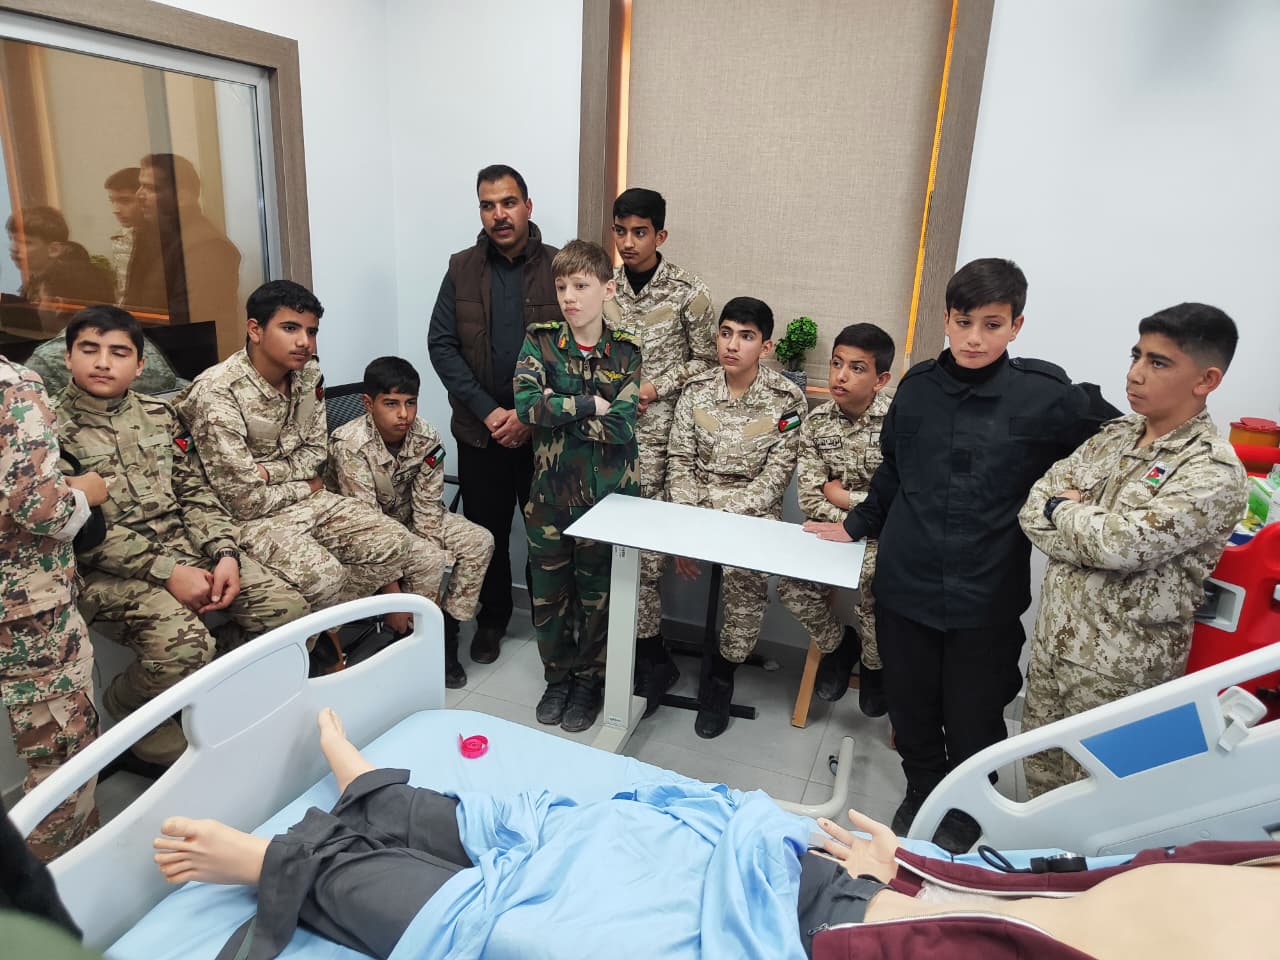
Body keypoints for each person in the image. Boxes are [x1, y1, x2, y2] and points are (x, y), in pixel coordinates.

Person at [152, 708, 1280, 960]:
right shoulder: (1255, 864)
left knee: (533, 930)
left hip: (806, 945)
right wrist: (920, 871)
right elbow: (1055, 897)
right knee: (595, 822)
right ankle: (379, 792)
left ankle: (291, 864)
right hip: (864, 896)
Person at [806, 258, 1119, 852]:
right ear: (946, 320)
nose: (975, 338)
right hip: (907, 582)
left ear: (1016, 326)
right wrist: (856, 523)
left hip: (985, 592)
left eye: (992, 325)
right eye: (963, 322)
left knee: (976, 713)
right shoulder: (918, 389)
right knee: (911, 707)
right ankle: (923, 789)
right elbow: (893, 473)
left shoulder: (1046, 395)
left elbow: (1119, 443)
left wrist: (1077, 496)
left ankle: (970, 803)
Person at [54, 305, 309, 766]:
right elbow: (82, 534)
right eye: (89, 350)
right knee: (187, 645)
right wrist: (169, 572)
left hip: (187, 549)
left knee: (289, 613)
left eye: (118, 353)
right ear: (68, 357)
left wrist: (225, 553)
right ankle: (131, 707)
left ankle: (216, 693)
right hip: (104, 573)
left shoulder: (160, 415)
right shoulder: (49, 433)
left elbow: (194, 493)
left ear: (139, 365)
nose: (103, 363)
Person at [1017, 303, 1248, 796]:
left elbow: (1120, 545)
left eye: (1157, 362)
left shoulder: (1211, 470)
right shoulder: (1114, 436)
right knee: (1040, 787)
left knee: (1102, 802)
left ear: (1206, 380)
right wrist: (1082, 525)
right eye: (1136, 356)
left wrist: (1063, 510)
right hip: (1054, 648)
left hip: (1121, 673)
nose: (1135, 373)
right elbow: (1032, 508)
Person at [176, 280, 432, 621]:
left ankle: (321, 622)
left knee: (396, 542)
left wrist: (271, 472)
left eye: (311, 331)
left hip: (304, 501)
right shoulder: (217, 392)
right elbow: (243, 500)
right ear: (255, 329)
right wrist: (305, 485)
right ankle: (309, 630)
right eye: (290, 328)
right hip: (248, 520)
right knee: (325, 577)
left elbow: (315, 453)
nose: (304, 342)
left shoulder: (309, 373)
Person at [427, 165, 561, 666]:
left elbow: (577, 352)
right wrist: (489, 413)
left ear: (528, 205)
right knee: (487, 533)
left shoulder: (559, 266)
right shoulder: (461, 267)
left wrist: (528, 415)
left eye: (508, 202)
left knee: (549, 536)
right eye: (488, 205)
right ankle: (493, 618)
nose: (499, 214)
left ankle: (553, 625)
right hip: (480, 433)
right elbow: (441, 345)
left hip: (544, 436)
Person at [513, 240, 641, 732]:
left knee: (597, 597)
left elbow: (622, 426)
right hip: (550, 499)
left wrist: (559, 408)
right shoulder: (540, 341)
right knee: (549, 598)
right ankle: (558, 678)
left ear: (607, 289)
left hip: (608, 502)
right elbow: (528, 407)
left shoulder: (626, 351)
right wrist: (591, 404)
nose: (569, 296)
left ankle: (589, 681)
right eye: (562, 286)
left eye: (581, 286)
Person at [666, 296, 806, 739]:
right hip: (693, 505)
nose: (732, 345)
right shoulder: (696, 389)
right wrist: (689, 526)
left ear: (765, 347)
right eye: (726, 333)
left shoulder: (786, 399)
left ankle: (723, 674)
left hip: (751, 511)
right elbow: (678, 459)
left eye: (746, 337)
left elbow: (776, 477)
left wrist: (720, 522)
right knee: (645, 560)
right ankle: (649, 661)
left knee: (746, 582)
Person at [602, 187, 717, 715]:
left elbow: (708, 363)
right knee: (621, 551)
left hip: (665, 439)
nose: (628, 242)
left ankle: (651, 660)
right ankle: (642, 653)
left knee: (648, 555)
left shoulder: (690, 292)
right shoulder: (606, 289)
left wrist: (656, 385)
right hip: (611, 436)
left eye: (640, 232)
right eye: (621, 231)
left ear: (660, 235)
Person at [327, 356, 495, 688]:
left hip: (411, 518)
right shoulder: (350, 445)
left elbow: (428, 506)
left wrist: (429, 545)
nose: (403, 414)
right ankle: (414, 641)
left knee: (479, 541)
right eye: (391, 403)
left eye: (410, 403)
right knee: (428, 559)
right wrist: (395, 594)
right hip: (362, 534)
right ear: (368, 404)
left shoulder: (426, 436)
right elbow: (367, 527)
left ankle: (443, 630)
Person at [1, 353, 107, 861]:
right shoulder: (13, 386)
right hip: (26, 610)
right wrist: (85, 491)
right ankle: (53, 884)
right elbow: (44, 509)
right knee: (64, 759)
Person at [778, 323, 894, 717]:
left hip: (884, 537)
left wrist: (845, 498)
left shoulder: (898, 422)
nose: (841, 376)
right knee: (792, 588)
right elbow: (810, 498)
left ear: (880, 380)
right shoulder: (817, 422)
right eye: (836, 363)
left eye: (856, 368)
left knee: (879, 589)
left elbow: (901, 500)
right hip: (830, 532)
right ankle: (839, 646)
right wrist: (847, 512)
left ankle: (875, 666)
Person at [126, 153, 241, 328]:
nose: (139, 195)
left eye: (151, 188)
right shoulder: (152, 237)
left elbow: (196, 325)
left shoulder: (206, 246)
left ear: (183, 197)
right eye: (140, 186)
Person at [6, 206, 69, 300]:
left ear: (54, 250)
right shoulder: (35, 280)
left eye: (24, 242)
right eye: (11, 239)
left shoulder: (64, 285)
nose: (12, 248)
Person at [103, 167, 142, 304]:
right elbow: (121, 291)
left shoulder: (164, 240)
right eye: (112, 201)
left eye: (125, 201)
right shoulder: (119, 239)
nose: (116, 210)